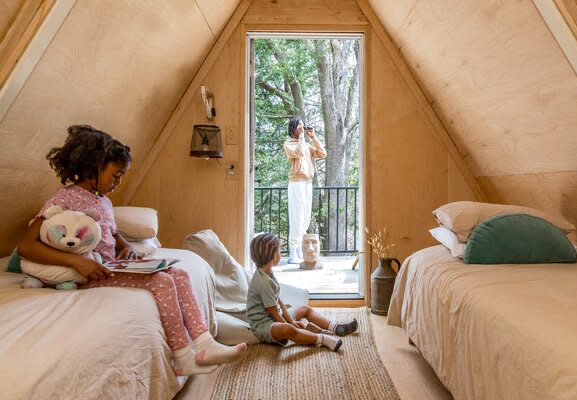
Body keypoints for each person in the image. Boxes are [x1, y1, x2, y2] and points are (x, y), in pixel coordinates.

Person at [17, 125, 246, 376]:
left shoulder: (102, 200)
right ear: (93, 166)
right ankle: (182, 355)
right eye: (115, 176)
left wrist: (125, 247)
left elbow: (111, 232)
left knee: (179, 273)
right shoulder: (63, 199)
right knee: (161, 282)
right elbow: (27, 246)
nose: (118, 183)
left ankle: (205, 343)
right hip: (90, 273)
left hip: (111, 264)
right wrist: (76, 263)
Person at [246, 233, 357, 350]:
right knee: (288, 330)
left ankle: (335, 328)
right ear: (272, 255)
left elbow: (278, 301)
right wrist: (289, 325)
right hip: (264, 325)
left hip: (274, 316)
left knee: (305, 309)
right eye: (278, 251)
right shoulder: (263, 282)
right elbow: (273, 313)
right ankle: (322, 339)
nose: (280, 254)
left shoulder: (268, 273)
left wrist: (291, 320)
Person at [283, 117, 327, 264]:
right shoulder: (289, 144)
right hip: (296, 183)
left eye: (303, 126)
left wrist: (313, 137)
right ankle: (292, 252)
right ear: (293, 129)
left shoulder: (306, 145)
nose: (302, 129)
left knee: (305, 219)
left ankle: (299, 251)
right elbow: (299, 153)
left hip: (307, 183)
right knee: (297, 216)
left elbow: (323, 153)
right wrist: (302, 138)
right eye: (299, 126)